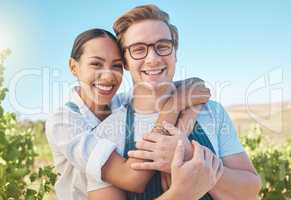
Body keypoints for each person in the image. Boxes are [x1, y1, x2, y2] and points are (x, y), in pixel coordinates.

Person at [88, 4, 261, 200]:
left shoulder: (211, 111)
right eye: (138, 50)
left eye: (162, 46)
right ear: (125, 62)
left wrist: (188, 156)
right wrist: (184, 191)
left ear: (175, 53)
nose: (152, 59)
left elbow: (250, 190)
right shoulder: (106, 134)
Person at [46, 28, 210, 200]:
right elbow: (131, 178)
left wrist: (182, 132)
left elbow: (196, 86)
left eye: (116, 65)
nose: (108, 76)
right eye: (96, 64)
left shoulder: (122, 102)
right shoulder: (63, 122)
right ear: (74, 67)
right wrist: (174, 106)